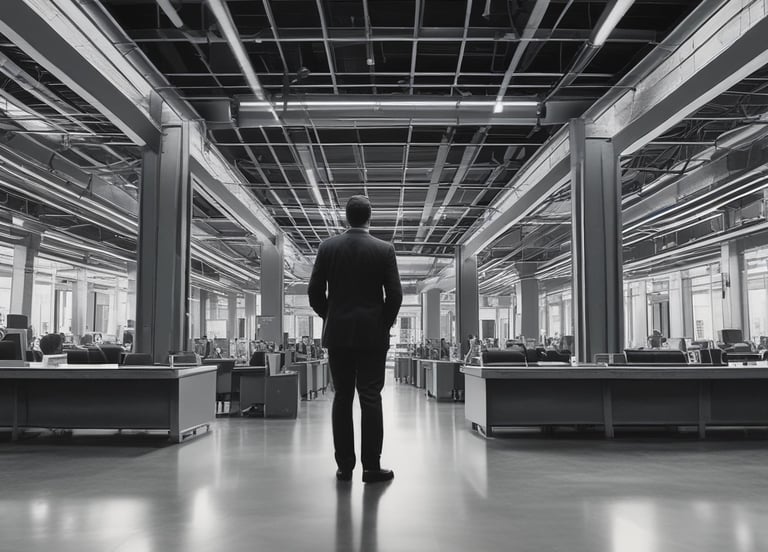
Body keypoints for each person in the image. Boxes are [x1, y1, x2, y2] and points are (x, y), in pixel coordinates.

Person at [308, 195, 403, 484]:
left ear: (346, 218)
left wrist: (332, 316)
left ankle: (344, 467)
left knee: (342, 396)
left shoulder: (327, 248)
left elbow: (314, 293)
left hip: (338, 336)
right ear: (369, 217)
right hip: (372, 338)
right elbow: (395, 296)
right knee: (370, 397)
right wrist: (381, 324)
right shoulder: (384, 249)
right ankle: (371, 468)